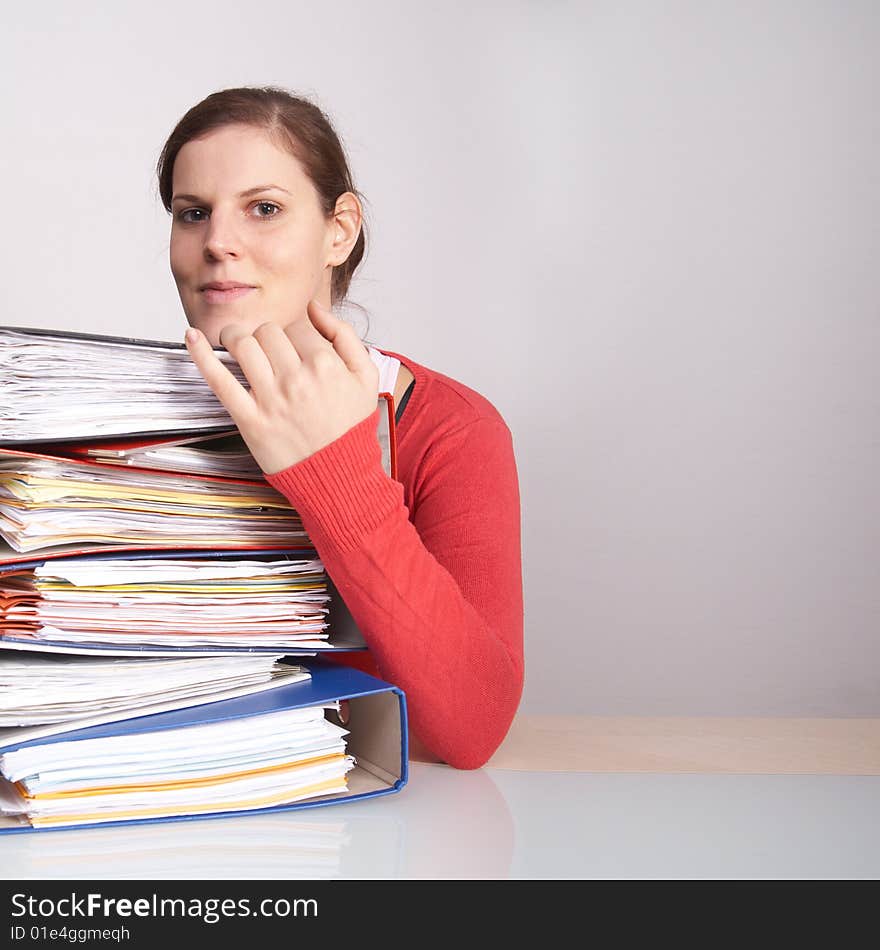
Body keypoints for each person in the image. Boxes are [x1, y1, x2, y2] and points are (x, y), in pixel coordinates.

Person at [156, 86, 523, 769]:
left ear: (339, 230)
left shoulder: (449, 429)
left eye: (263, 209)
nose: (218, 243)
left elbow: (471, 730)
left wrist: (335, 472)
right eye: (192, 213)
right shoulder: (95, 420)